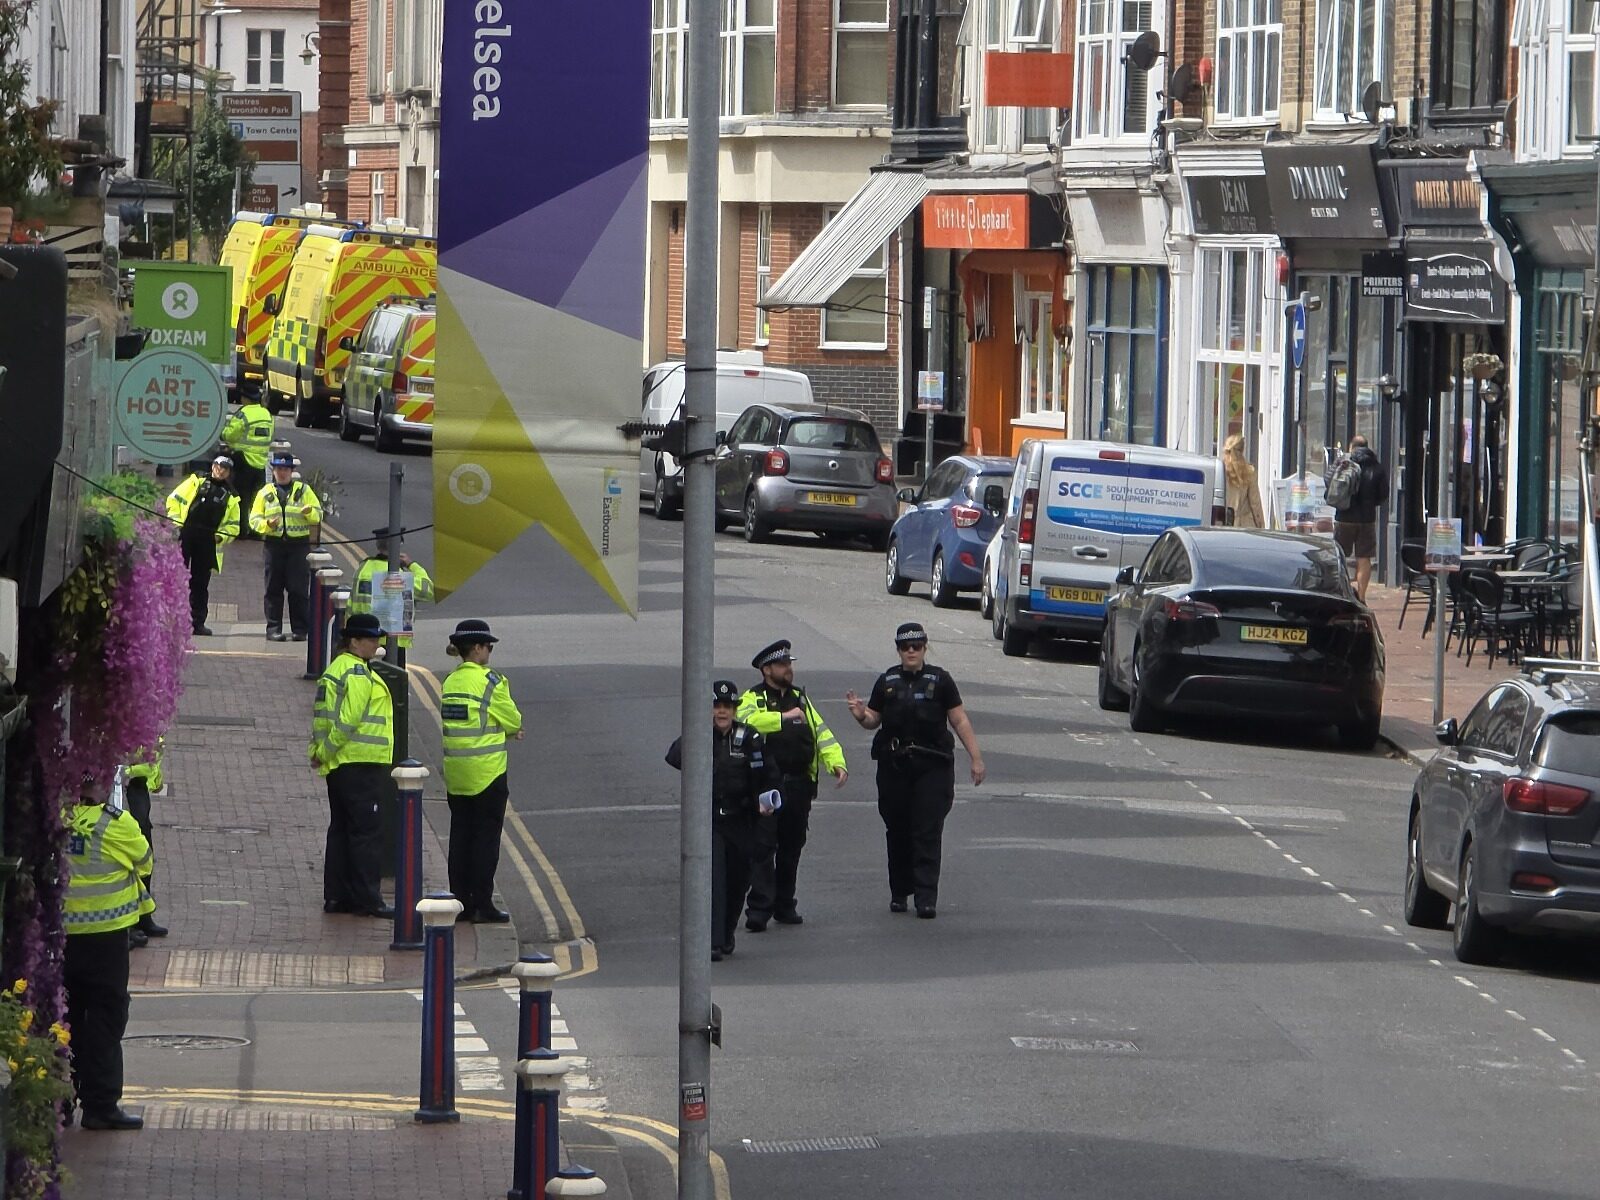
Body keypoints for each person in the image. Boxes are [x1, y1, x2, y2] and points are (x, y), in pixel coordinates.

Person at [845, 623, 985, 919]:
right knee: (897, 828)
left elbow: (959, 721)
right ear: (898, 649)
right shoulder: (887, 681)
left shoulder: (941, 680)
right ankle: (899, 892)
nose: (911, 651)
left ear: (925, 648)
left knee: (927, 830)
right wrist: (861, 715)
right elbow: (874, 719)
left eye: (917, 646)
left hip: (932, 765)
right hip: (895, 765)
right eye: (905, 647)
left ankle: (925, 896)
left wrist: (976, 758)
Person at [666, 680, 782, 961]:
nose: (721, 712)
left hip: (742, 821)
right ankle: (714, 941)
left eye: (726, 706)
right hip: (711, 822)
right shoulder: (698, 736)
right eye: (716, 706)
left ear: (734, 709)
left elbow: (770, 777)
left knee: (738, 881)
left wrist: (767, 804)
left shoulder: (750, 738)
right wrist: (694, 731)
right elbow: (673, 756)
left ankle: (727, 932)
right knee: (715, 879)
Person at [64, 776, 155, 1130]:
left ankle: (59, 1098)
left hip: (65, 937)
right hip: (107, 938)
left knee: (65, 1015)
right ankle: (100, 1105)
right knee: (106, 1018)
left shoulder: (58, 820)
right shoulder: (117, 824)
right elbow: (145, 861)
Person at [736, 639, 846, 931]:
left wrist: (836, 761)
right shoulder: (752, 697)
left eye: (789, 664)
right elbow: (744, 721)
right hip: (766, 787)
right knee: (762, 848)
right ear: (766, 669)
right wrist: (783, 719)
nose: (789, 669)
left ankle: (785, 904)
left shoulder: (800, 698)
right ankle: (759, 910)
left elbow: (820, 731)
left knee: (791, 848)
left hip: (798, 786)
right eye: (782, 664)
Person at [309, 613, 395, 918]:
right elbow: (347, 720)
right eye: (371, 639)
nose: (376, 644)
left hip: (341, 766)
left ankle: (337, 897)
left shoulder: (335, 669)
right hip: (358, 761)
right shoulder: (357, 673)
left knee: (341, 831)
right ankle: (368, 899)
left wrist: (320, 752)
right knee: (365, 834)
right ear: (354, 642)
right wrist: (328, 750)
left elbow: (322, 716)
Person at [440, 619, 522, 923]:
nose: (490, 651)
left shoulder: (451, 681)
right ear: (476, 648)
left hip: (457, 773)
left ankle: (460, 901)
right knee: (485, 841)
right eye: (488, 646)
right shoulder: (491, 681)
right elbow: (512, 720)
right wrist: (510, 729)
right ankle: (483, 903)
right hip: (487, 773)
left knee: (460, 837)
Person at [249, 450, 323, 642]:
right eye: (279, 469)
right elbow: (254, 519)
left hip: (298, 546)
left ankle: (300, 629)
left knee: (298, 589)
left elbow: (318, 514)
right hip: (274, 546)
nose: (282, 472)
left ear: (291, 471)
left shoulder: (304, 490)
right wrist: (267, 525)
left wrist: (309, 513)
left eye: (286, 469)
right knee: (273, 589)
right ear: (273, 471)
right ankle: (273, 628)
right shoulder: (265, 493)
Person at [165, 455, 242, 636]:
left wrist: (220, 537)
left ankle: (197, 622)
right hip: (186, 534)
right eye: (217, 466)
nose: (220, 470)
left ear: (229, 472)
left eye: (224, 468)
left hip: (208, 540)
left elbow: (234, 525)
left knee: (200, 583)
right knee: (177, 578)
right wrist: (176, 523)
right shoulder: (195, 482)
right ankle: (172, 621)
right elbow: (173, 500)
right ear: (212, 466)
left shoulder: (232, 497)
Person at [349, 527, 435, 663]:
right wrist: (412, 565)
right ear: (397, 545)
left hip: (362, 639)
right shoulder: (396, 575)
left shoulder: (363, 567)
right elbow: (428, 590)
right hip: (390, 640)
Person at [1331, 434, 1388, 602]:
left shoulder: (1342, 463)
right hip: (1366, 519)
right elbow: (1384, 494)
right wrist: (1370, 504)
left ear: (1351, 447)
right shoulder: (1376, 467)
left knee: (1339, 555)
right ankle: (1361, 596)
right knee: (1364, 557)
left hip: (1344, 517)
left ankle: (1342, 592)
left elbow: (1329, 481)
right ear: (1367, 447)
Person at [123, 742, 169, 946]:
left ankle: (143, 917)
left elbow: (153, 760)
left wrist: (156, 777)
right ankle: (130, 922)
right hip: (126, 786)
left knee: (145, 855)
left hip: (139, 786)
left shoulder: (151, 723)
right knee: (131, 855)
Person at [220, 397, 274, 523]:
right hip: (261, 463)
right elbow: (270, 435)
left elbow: (230, 435)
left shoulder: (243, 414)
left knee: (242, 498)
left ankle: (242, 530)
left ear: (245, 398)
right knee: (258, 499)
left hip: (244, 461)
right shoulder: (267, 414)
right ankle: (257, 530)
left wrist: (223, 434)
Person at [1222, 433, 1266, 530]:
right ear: (1242, 450)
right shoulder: (1249, 472)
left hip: (1225, 523)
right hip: (1246, 525)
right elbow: (1255, 503)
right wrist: (1261, 525)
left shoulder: (1220, 470)